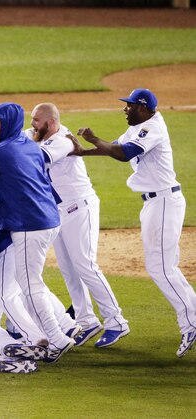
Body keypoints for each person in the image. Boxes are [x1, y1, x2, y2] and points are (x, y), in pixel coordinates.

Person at [71, 88, 196, 357]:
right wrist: (84, 152)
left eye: (129, 106)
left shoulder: (153, 128)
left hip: (164, 202)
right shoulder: (138, 128)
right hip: (155, 203)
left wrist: (92, 138)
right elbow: (114, 149)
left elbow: (125, 153)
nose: (124, 109)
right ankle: (191, 319)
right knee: (163, 266)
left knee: (161, 267)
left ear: (143, 107)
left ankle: (191, 323)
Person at [0, 102, 76, 363]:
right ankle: (56, 332)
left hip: (29, 226)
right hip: (50, 220)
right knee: (26, 284)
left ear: (9, 123)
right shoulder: (30, 146)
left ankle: (57, 339)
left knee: (30, 286)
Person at [27, 103, 129, 348]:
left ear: (50, 122)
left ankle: (116, 321)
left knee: (85, 264)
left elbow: (35, 158)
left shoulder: (62, 140)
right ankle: (87, 319)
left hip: (80, 208)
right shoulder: (41, 136)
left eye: (36, 121)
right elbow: (21, 140)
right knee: (68, 268)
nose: (32, 125)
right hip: (60, 212)